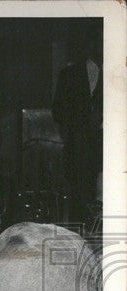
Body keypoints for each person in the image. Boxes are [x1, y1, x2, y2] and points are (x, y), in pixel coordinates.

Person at [52, 23, 102, 223]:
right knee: (79, 207)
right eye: (98, 40)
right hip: (80, 153)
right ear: (90, 43)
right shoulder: (69, 74)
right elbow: (58, 111)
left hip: (112, 150)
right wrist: (84, 121)